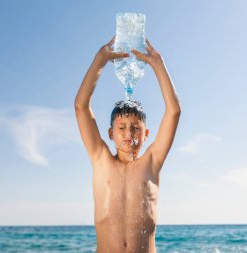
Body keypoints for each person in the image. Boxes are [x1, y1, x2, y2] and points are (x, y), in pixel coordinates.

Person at [74, 36, 181, 253]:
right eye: (121, 128)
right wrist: (99, 61)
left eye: (135, 128)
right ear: (111, 133)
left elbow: (174, 111)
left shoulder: (152, 161)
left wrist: (158, 64)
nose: (128, 133)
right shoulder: (100, 158)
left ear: (146, 134)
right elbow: (81, 106)